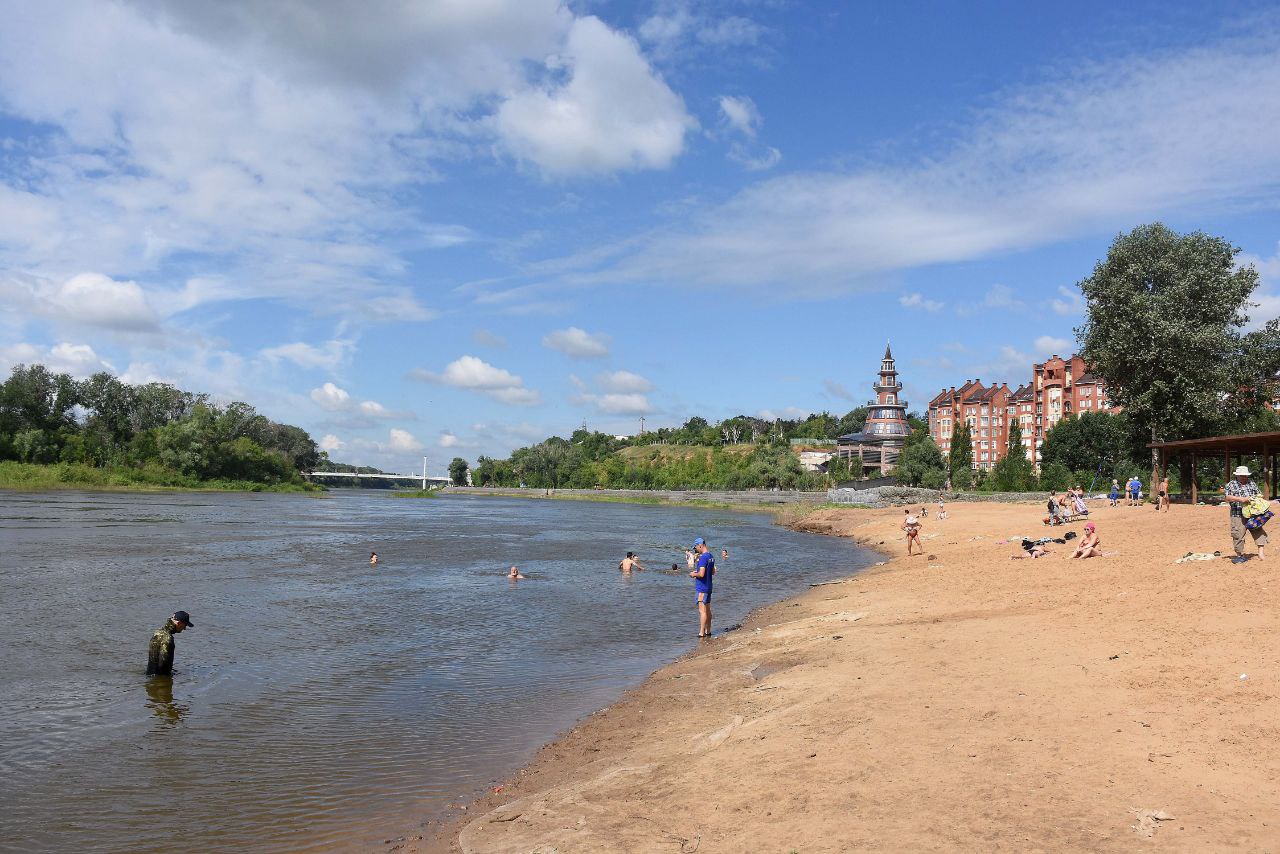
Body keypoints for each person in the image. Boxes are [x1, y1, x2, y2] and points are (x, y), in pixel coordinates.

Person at [1223, 465, 1269, 564]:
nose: (1244, 477)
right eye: (1242, 475)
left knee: (1258, 530)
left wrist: (1256, 499)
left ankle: (1261, 552)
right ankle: (1240, 555)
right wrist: (1241, 499)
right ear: (1237, 476)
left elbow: (1259, 494)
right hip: (1237, 514)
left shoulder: (1251, 483)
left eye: (1245, 475)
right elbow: (1227, 498)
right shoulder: (1231, 484)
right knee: (1238, 534)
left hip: (1253, 514)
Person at [146, 610, 193, 677]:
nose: (185, 628)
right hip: (160, 682)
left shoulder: (157, 633)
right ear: (179, 623)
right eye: (185, 625)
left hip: (149, 676)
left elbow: (156, 662)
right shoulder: (168, 638)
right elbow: (163, 664)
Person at [689, 537, 715, 637]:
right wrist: (698, 572)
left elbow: (702, 574)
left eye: (695, 548)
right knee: (708, 610)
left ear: (700, 545)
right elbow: (713, 572)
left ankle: (701, 632)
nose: (696, 550)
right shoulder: (711, 556)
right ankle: (708, 630)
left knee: (702, 611)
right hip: (709, 586)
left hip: (702, 588)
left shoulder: (703, 557)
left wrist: (693, 574)